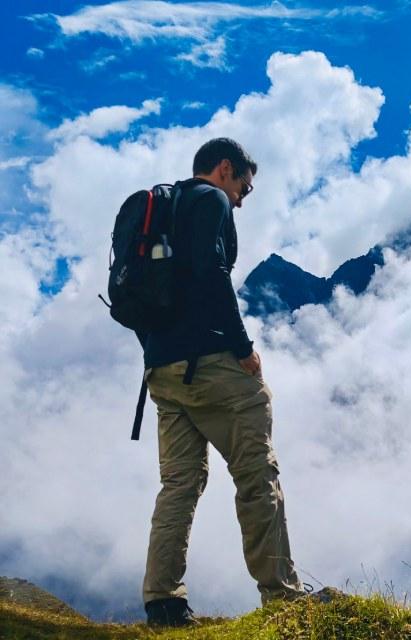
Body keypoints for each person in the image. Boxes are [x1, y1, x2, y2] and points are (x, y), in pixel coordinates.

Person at [139, 138, 304, 627]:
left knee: (179, 485)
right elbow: (213, 275)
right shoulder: (209, 200)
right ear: (225, 169)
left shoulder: (162, 210)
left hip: (161, 372)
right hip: (210, 362)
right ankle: (283, 597)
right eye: (244, 189)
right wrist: (242, 348)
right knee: (257, 472)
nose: (241, 200)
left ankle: (163, 601)